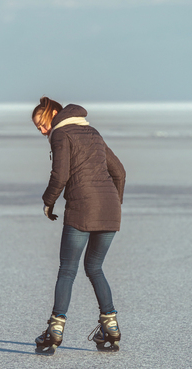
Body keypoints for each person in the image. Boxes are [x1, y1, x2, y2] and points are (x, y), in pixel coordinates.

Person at [32, 97, 126, 354]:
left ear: (53, 115)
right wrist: (113, 204)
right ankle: (111, 326)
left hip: (82, 209)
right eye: (37, 127)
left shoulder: (61, 134)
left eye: (41, 124)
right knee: (95, 268)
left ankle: (55, 329)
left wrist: (47, 202)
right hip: (109, 210)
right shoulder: (91, 131)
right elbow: (119, 172)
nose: (42, 131)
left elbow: (59, 175)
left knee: (67, 270)